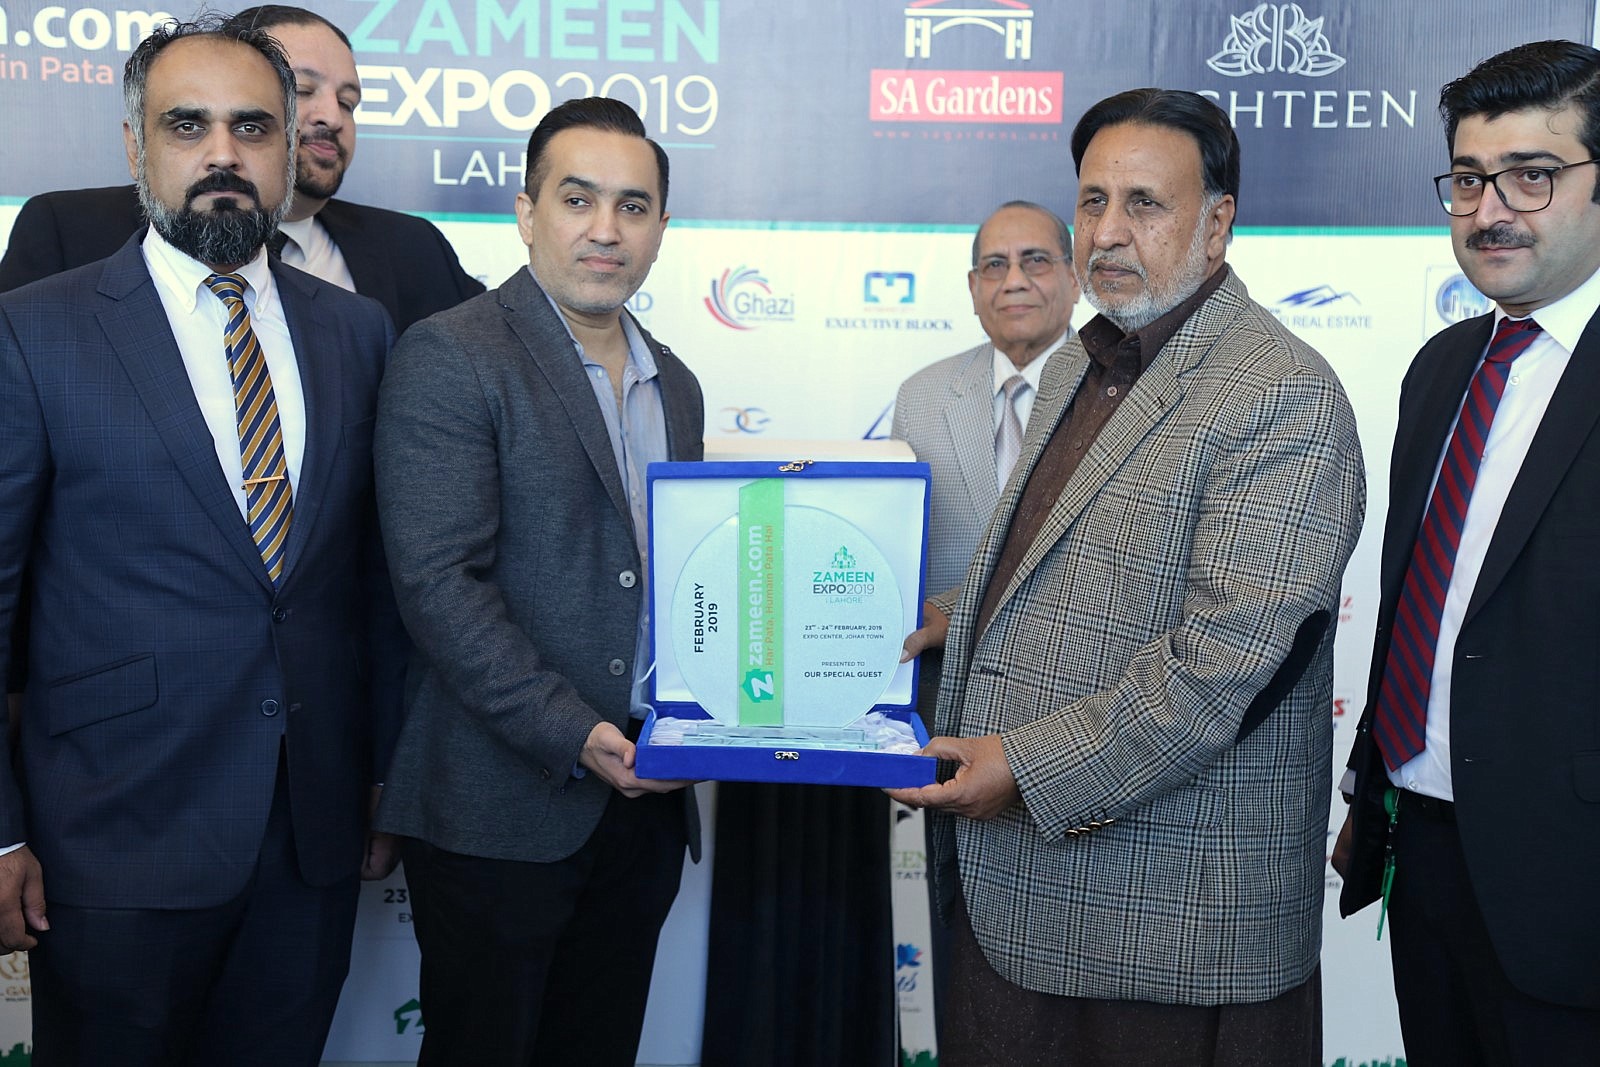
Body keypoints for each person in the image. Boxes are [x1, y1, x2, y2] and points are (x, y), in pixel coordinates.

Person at [889, 88, 1366, 1066]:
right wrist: (953, 615)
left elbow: (1220, 666)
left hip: (1161, 928)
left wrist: (1025, 768)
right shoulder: (1084, 361)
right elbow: (1065, 557)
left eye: (1144, 203)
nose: (1106, 232)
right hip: (1016, 901)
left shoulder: (1280, 392)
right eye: (1093, 200)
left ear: (1217, 224)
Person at [0, 16, 403, 1066]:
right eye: (188, 126)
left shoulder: (357, 331)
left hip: (309, 836)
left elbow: (372, 582)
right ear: (136, 147)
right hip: (112, 838)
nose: (223, 154)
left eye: (252, 127)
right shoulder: (33, 330)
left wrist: (381, 774)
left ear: (288, 148)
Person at [372, 96, 703, 1067]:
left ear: (662, 227)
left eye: (633, 206)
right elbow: (439, 585)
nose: (606, 229)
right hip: (499, 806)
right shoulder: (452, 351)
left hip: (644, 801)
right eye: (577, 198)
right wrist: (579, 733)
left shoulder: (677, 381)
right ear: (526, 213)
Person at [1333, 39, 1600, 1065]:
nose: (1491, 210)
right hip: (1426, 854)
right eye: (1468, 179)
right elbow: (1421, 598)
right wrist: (1373, 789)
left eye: (1532, 175)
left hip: (1573, 888)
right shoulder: (1442, 366)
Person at [0, 5, 483, 333]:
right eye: (302, 90)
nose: (332, 117)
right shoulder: (69, 233)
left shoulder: (416, 247)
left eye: (348, 101)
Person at [893, 200, 1080, 597]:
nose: (1014, 281)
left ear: (1075, 277)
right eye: (995, 265)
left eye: (1036, 261)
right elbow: (899, 550)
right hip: (949, 637)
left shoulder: (1123, 389)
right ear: (974, 289)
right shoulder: (919, 399)